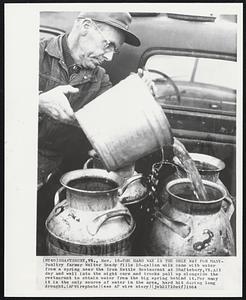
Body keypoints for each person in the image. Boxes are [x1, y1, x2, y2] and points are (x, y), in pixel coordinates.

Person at [37, 12, 156, 254]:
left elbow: (115, 122)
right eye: (108, 44)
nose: (110, 56)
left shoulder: (99, 79)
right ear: (86, 27)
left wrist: (140, 97)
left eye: (115, 50)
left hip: (53, 183)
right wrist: (37, 102)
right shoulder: (30, 54)